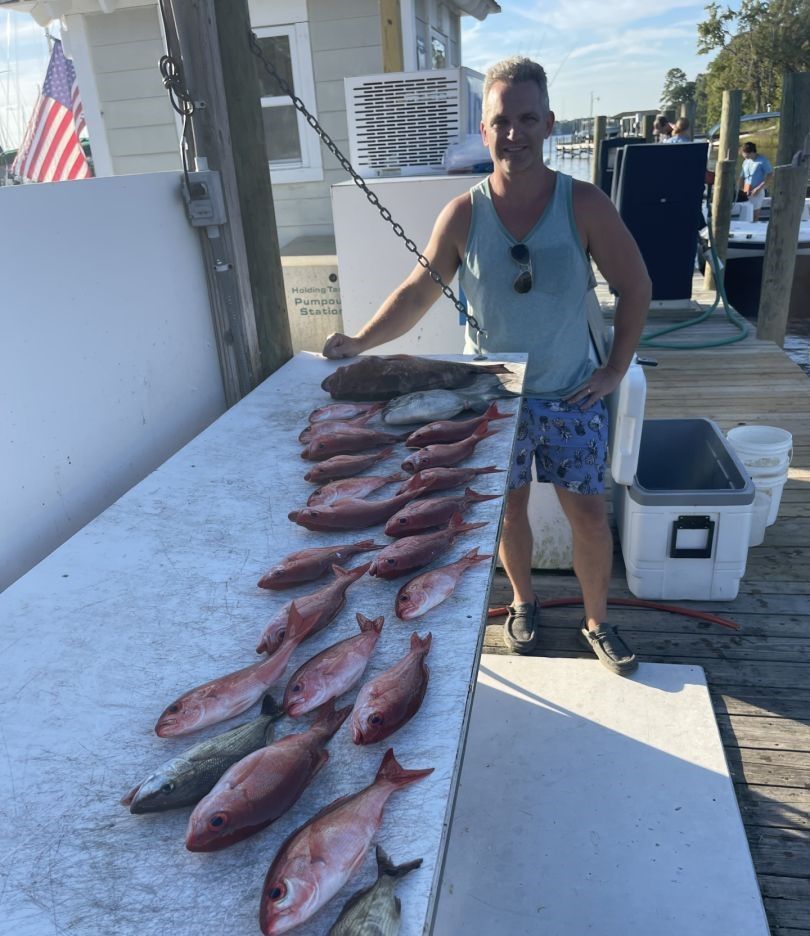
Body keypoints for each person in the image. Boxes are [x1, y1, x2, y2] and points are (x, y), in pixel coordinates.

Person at [322, 56, 651, 676]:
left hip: (572, 392)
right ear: (484, 126)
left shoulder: (583, 204)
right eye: (502, 120)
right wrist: (362, 340)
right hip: (493, 397)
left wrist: (612, 371)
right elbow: (419, 290)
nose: (514, 133)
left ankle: (598, 618)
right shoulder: (463, 214)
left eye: (528, 118)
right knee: (507, 507)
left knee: (586, 512)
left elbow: (636, 286)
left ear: (549, 123)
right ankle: (523, 603)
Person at [739, 142, 773, 221]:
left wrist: (759, 188)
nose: (745, 157)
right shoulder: (746, 161)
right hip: (746, 190)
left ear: (752, 152)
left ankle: (753, 230)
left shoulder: (763, 161)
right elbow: (742, 175)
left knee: (754, 215)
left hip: (757, 191)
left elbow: (770, 175)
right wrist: (739, 187)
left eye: (746, 155)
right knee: (746, 213)